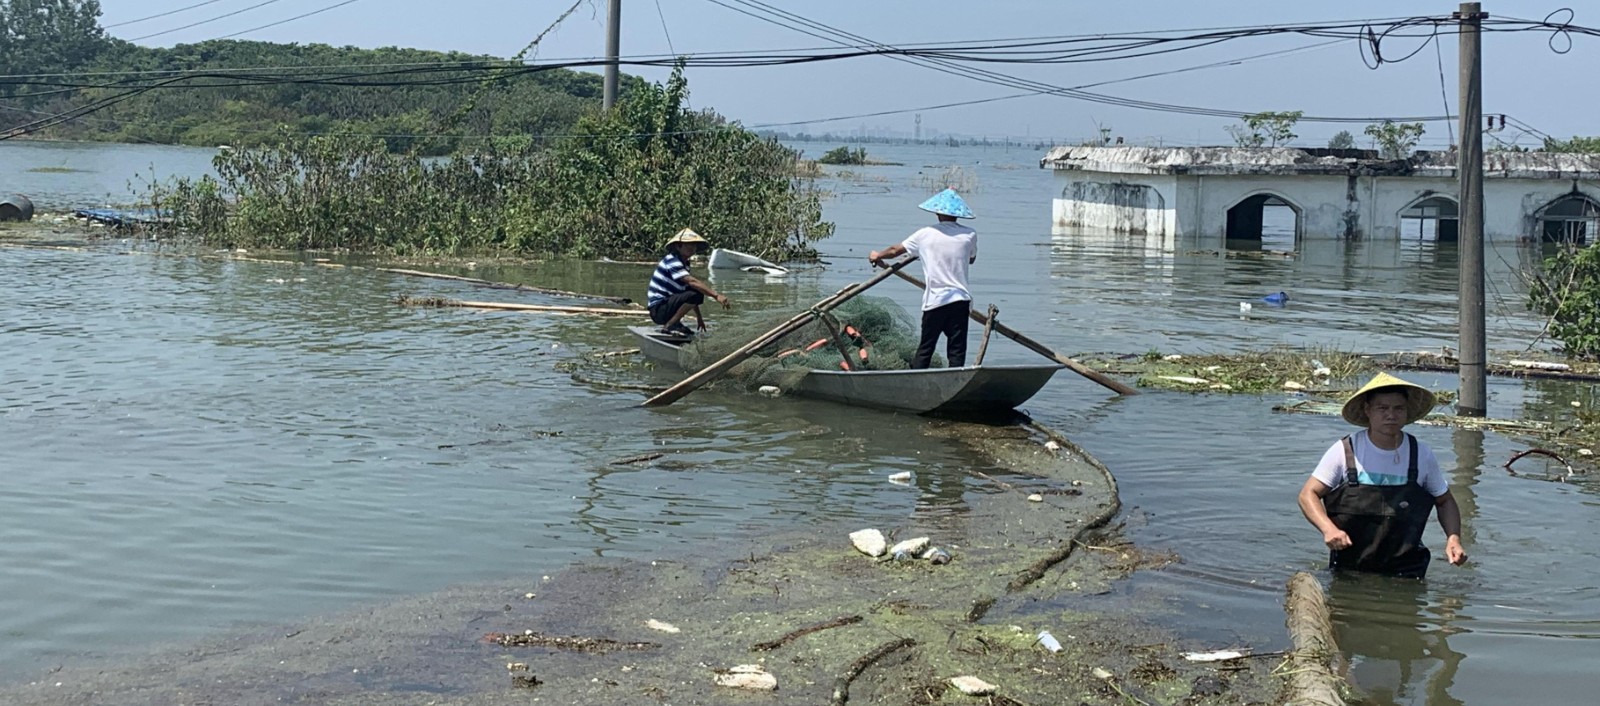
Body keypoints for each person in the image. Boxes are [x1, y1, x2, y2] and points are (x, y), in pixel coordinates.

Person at [1297, 373, 1468, 578]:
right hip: (1348, 569)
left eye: (1398, 409)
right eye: (1383, 408)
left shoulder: (1421, 453)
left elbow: (1445, 500)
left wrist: (1453, 538)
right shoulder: (1346, 450)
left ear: (1407, 412)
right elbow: (1308, 494)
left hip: (1408, 571)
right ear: (1368, 410)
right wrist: (1328, 530)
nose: (1391, 415)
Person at [867, 188, 978, 369]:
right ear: (958, 215)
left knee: (926, 349)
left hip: (936, 301)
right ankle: (955, 379)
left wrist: (877, 255)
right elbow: (971, 258)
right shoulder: (969, 235)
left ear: (937, 212)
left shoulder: (924, 234)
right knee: (957, 352)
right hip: (960, 300)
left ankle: (915, 380)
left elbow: (895, 251)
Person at [647, 228, 730, 336]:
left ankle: (674, 323)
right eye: (688, 245)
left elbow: (690, 290)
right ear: (678, 246)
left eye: (694, 245)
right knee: (696, 292)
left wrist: (699, 318)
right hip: (658, 309)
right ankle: (671, 324)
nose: (692, 248)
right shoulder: (672, 260)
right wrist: (716, 296)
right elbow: (692, 282)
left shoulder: (684, 263)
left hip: (666, 307)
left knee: (695, 293)